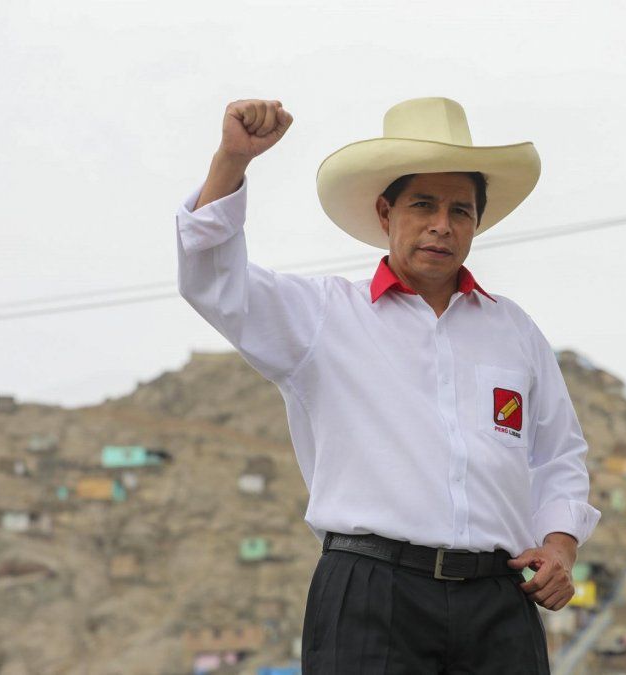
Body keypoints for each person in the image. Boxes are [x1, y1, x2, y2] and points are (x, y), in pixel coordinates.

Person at [175, 96, 601, 673]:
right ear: (385, 212)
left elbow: (559, 454)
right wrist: (231, 161)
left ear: (476, 222)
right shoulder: (324, 315)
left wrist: (559, 546)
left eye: (461, 210)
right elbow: (210, 280)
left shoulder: (514, 329)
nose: (441, 226)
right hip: (370, 596)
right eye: (423, 204)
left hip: (500, 604)